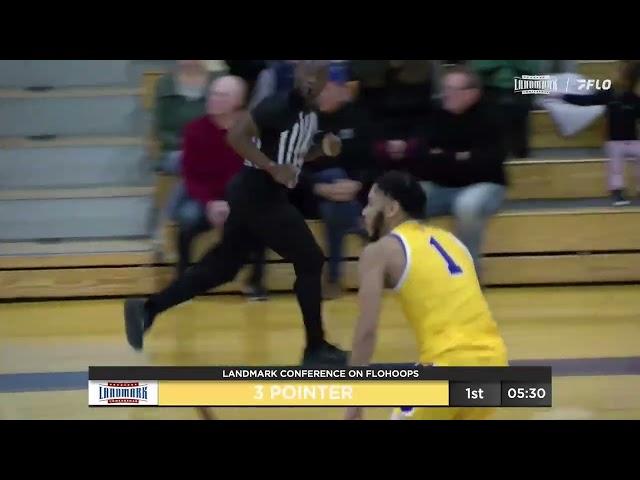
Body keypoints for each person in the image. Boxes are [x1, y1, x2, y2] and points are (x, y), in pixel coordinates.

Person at [123, 61, 348, 366]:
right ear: (295, 75)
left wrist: (322, 149)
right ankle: (315, 348)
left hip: (253, 195)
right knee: (310, 260)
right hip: (259, 195)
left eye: (317, 75)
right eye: (305, 73)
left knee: (222, 267)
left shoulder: (309, 113)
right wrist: (272, 169)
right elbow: (236, 137)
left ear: (324, 81)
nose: (310, 80)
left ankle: (148, 309)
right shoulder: (276, 105)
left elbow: (291, 154)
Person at [345, 171, 508, 421]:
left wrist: (354, 401)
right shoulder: (453, 242)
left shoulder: (379, 251)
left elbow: (366, 331)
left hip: (448, 365)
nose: (364, 212)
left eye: (370, 203)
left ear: (391, 209)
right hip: (495, 364)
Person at [175, 75, 267, 299]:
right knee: (186, 222)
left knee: (263, 221)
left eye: (222, 95)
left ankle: (255, 282)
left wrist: (233, 204)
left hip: (239, 199)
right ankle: (183, 279)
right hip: (206, 199)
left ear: (237, 101)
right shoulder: (194, 130)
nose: (214, 99)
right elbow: (190, 175)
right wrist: (210, 204)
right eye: (213, 94)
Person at [412, 65, 506, 279]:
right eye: (445, 88)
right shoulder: (435, 117)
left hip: (485, 186)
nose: (447, 94)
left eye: (454, 89)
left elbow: (489, 163)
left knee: (467, 206)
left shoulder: (491, 118)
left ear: (472, 93)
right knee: (408, 200)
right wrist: (462, 157)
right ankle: (419, 270)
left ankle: (468, 273)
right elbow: (422, 158)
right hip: (441, 186)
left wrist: (444, 156)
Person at [561, 61, 640, 206]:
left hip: (632, 141)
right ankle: (617, 192)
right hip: (615, 142)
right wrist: (566, 97)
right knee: (616, 166)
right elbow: (588, 100)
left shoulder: (634, 98)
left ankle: (626, 190)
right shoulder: (609, 93)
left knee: (624, 162)